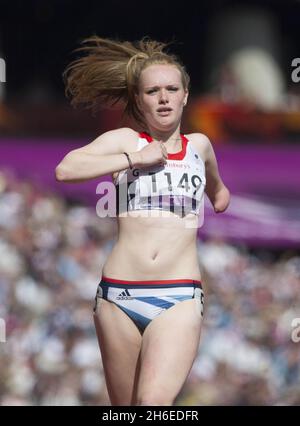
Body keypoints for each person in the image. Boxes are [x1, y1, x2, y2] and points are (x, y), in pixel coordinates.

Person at [55, 36, 230, 406]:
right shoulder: (126, 141)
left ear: (185, 95)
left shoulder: (200, 145)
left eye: (171, 89)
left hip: (179, 294)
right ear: (138, 100)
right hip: (118, 295)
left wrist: (218, 198)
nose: (163, 97)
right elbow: (65, 170)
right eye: (152, 91)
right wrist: (134, 160)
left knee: (153, 405)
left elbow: (218, 191)